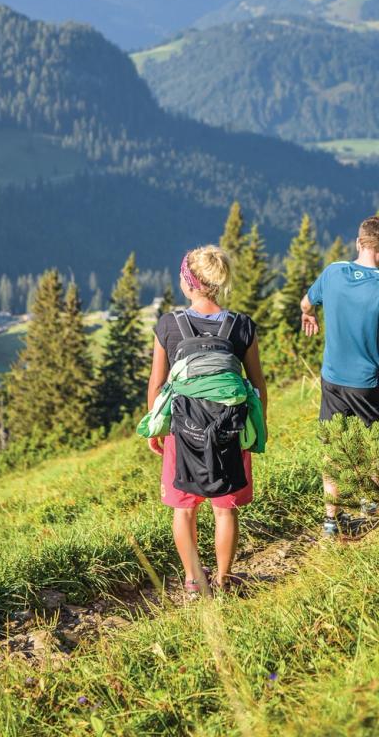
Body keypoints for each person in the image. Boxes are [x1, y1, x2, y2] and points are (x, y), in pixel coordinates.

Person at [146, 245, 269, 596]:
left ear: (189, 282)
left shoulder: (169, 325)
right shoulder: (241, 326)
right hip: (230, 427)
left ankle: (193, 581)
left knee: (184, 510)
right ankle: (224, 578)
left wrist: (157, 427)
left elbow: (157, 383)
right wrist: (259, 427)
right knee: (225, 509)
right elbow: (257, 383)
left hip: (182, 430)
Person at [300, 215, 379, 537]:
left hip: (332, 380)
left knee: (332, 446)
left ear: (359, 242)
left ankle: (331, 519)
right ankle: (370, 500)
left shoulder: (332, 273)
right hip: (369, 382)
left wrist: (309, 314)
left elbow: (305, 302)